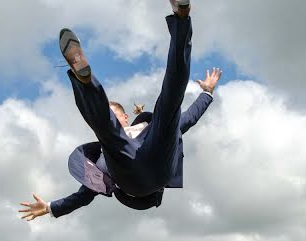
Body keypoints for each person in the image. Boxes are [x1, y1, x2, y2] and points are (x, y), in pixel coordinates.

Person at [19, 1, 222, 219]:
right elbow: (84, 195)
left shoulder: (148, 127)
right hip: (131, 180)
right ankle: (85, 81)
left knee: (171, 100)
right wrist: (51, 207)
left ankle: (181, 18)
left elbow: (189, 118)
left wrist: (207, 93)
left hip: (159, 162)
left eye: (114, 115)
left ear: (126, 116)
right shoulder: (107, 154)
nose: (112, 118)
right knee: (106, 134)